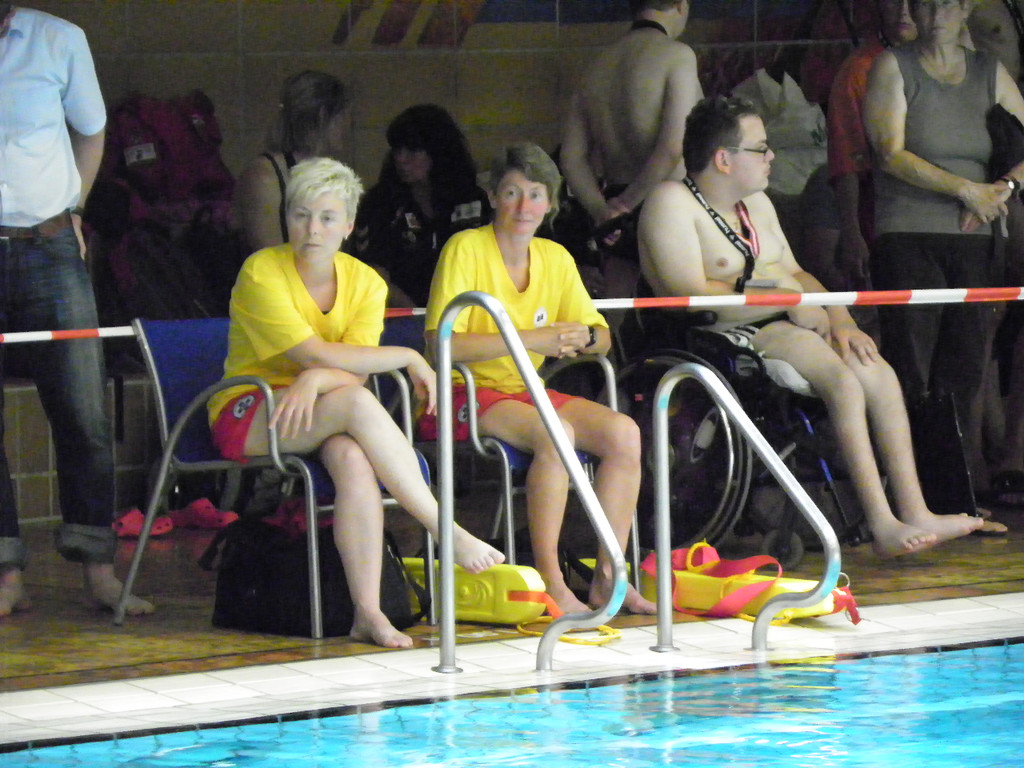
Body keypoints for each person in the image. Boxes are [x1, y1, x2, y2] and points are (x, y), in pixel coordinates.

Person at [638, 95, 986, 558]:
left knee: (877, 371)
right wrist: (783, 299)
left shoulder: (756, 204)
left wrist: (840, 318)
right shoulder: (671, 201)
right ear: (723, 159)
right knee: (842, 381)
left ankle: (915, 509)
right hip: (725, 332)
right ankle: (881, 522)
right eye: (760, 148)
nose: (772, 156)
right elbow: (686, 290)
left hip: (789, 317)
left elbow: (798, 273)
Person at [208, 157, 503, 648]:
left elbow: (351, 369)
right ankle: (442, 527)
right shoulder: (261, 272)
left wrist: (317, 379)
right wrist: (407, 355)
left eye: (327, 218)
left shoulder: (366, 281)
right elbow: (313, 353)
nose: (312, 229)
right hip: (251, 410)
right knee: (358, 404)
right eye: (301, 215)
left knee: (353, 460)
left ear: (348, 225)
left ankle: (368, 612)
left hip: (324, 407)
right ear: (286, 218)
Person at [423, 143, 655, 616]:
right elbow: (442, 345)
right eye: (512, 193)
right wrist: (533, 338)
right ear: (493, 197)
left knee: (624, 434)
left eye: (535, 194)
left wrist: (583, 336)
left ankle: (609, 575)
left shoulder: (554, 257)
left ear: (551, 202)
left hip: (526, 391)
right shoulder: (465, 248)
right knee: (557, 433)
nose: (523, 206)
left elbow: (602, 338)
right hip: (464, 391)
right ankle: (551, 579)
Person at [0, 5, 154, 617]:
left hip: (49, 242)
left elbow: (91, 132)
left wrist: (76, 210)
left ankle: (98, 570)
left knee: (83, 411)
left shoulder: (59, 39)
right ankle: (6, 574)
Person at [864, 0, 1024, 515]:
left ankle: (954, 494)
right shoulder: (894, 65)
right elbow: (889, 151)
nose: (937, 13)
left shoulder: (988, 71)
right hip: (907, 231)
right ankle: (910, 496)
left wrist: (1003, 188)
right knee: (911, 365)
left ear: (966, 9)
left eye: (948, 3)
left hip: (976, 236)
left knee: (966, 366)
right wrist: (965, 190)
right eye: (926, 3)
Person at [560, 0, 702, 298]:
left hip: (613, 215)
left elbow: (571, 159)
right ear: (681, 5)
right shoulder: (677, 56)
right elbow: (674, 146)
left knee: (619, 311)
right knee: (683, 308)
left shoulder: (596, 65)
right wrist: (629, 202)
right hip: (667, 204)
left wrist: (604, 211)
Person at [351, 104, 490, 309]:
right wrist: (418, 315)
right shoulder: (379, 202)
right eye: (397, 149)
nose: (401, 159)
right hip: (399, 316)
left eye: (413, 150)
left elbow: (487, 266)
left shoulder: (472, 199)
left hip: (464, 311)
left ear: (438, 152)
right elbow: (372, 273)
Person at [826, 0, 917, 293]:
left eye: (915, 2)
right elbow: (847, 162)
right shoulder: (858, 69)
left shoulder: (962, 65)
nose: (904, 10)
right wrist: (852, 234)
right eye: (894, 1)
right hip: (885, 218)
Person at [234, 70, 349, 255]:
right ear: (323, 116)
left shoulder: (326, 174)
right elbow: (270, 261)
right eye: (342, 115)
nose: (347, 124)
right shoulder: (265, 176)